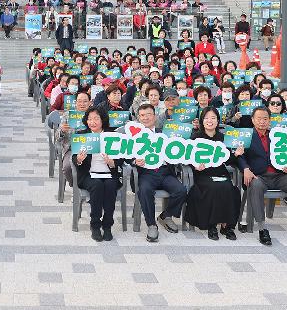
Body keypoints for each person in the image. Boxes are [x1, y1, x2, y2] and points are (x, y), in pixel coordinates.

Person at [238, 106, 287, 246]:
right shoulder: (247, 136)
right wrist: (246, 169)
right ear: (252, 120)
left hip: (279, 175)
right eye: (259, 119)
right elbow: (240, 156)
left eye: (265, 119)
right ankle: (262, 228)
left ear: (270, 120)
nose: (262, 121)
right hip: (258, 176)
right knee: (255, 186)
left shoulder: (278, 136)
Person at [132, 103, 187, 241]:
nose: (145, 118)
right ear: (138, 118)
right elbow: (126, 156)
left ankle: (166, 216)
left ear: (155, 116)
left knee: (181, 190)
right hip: (146, 173)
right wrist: (134, 161)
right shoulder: (133, 136)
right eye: (142, 115)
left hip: (164, 171)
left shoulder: (165, 134)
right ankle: (151, 225)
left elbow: (176, 151)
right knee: (144, 190)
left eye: (148, 114)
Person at [184, 108, 241, 240]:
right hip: (203, 174)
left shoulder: (223, 137)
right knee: (213, 188)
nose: (210, 121)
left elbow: (227, 159)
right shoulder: (195, 137)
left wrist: (236, 154)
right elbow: (188, 158)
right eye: (207, 118)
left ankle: (227, 226)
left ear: (218, 120)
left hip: (220, 172)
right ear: (202, 121)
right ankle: (211, 225)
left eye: (213, 118)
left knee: (230, 188)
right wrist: (195, 166)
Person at [74, 106, 122, 242]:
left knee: (110, 186)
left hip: (108, 173)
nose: (92, 122)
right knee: (97, 186)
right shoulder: (82, 135)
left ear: (103, 120)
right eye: (89, 119)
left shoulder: (112, 135)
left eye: (96, 118)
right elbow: (73, 157)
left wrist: (112, 162)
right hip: (89, 175)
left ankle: (107, 225)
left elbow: (121, 157)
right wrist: (79, 159)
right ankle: (95, 225)